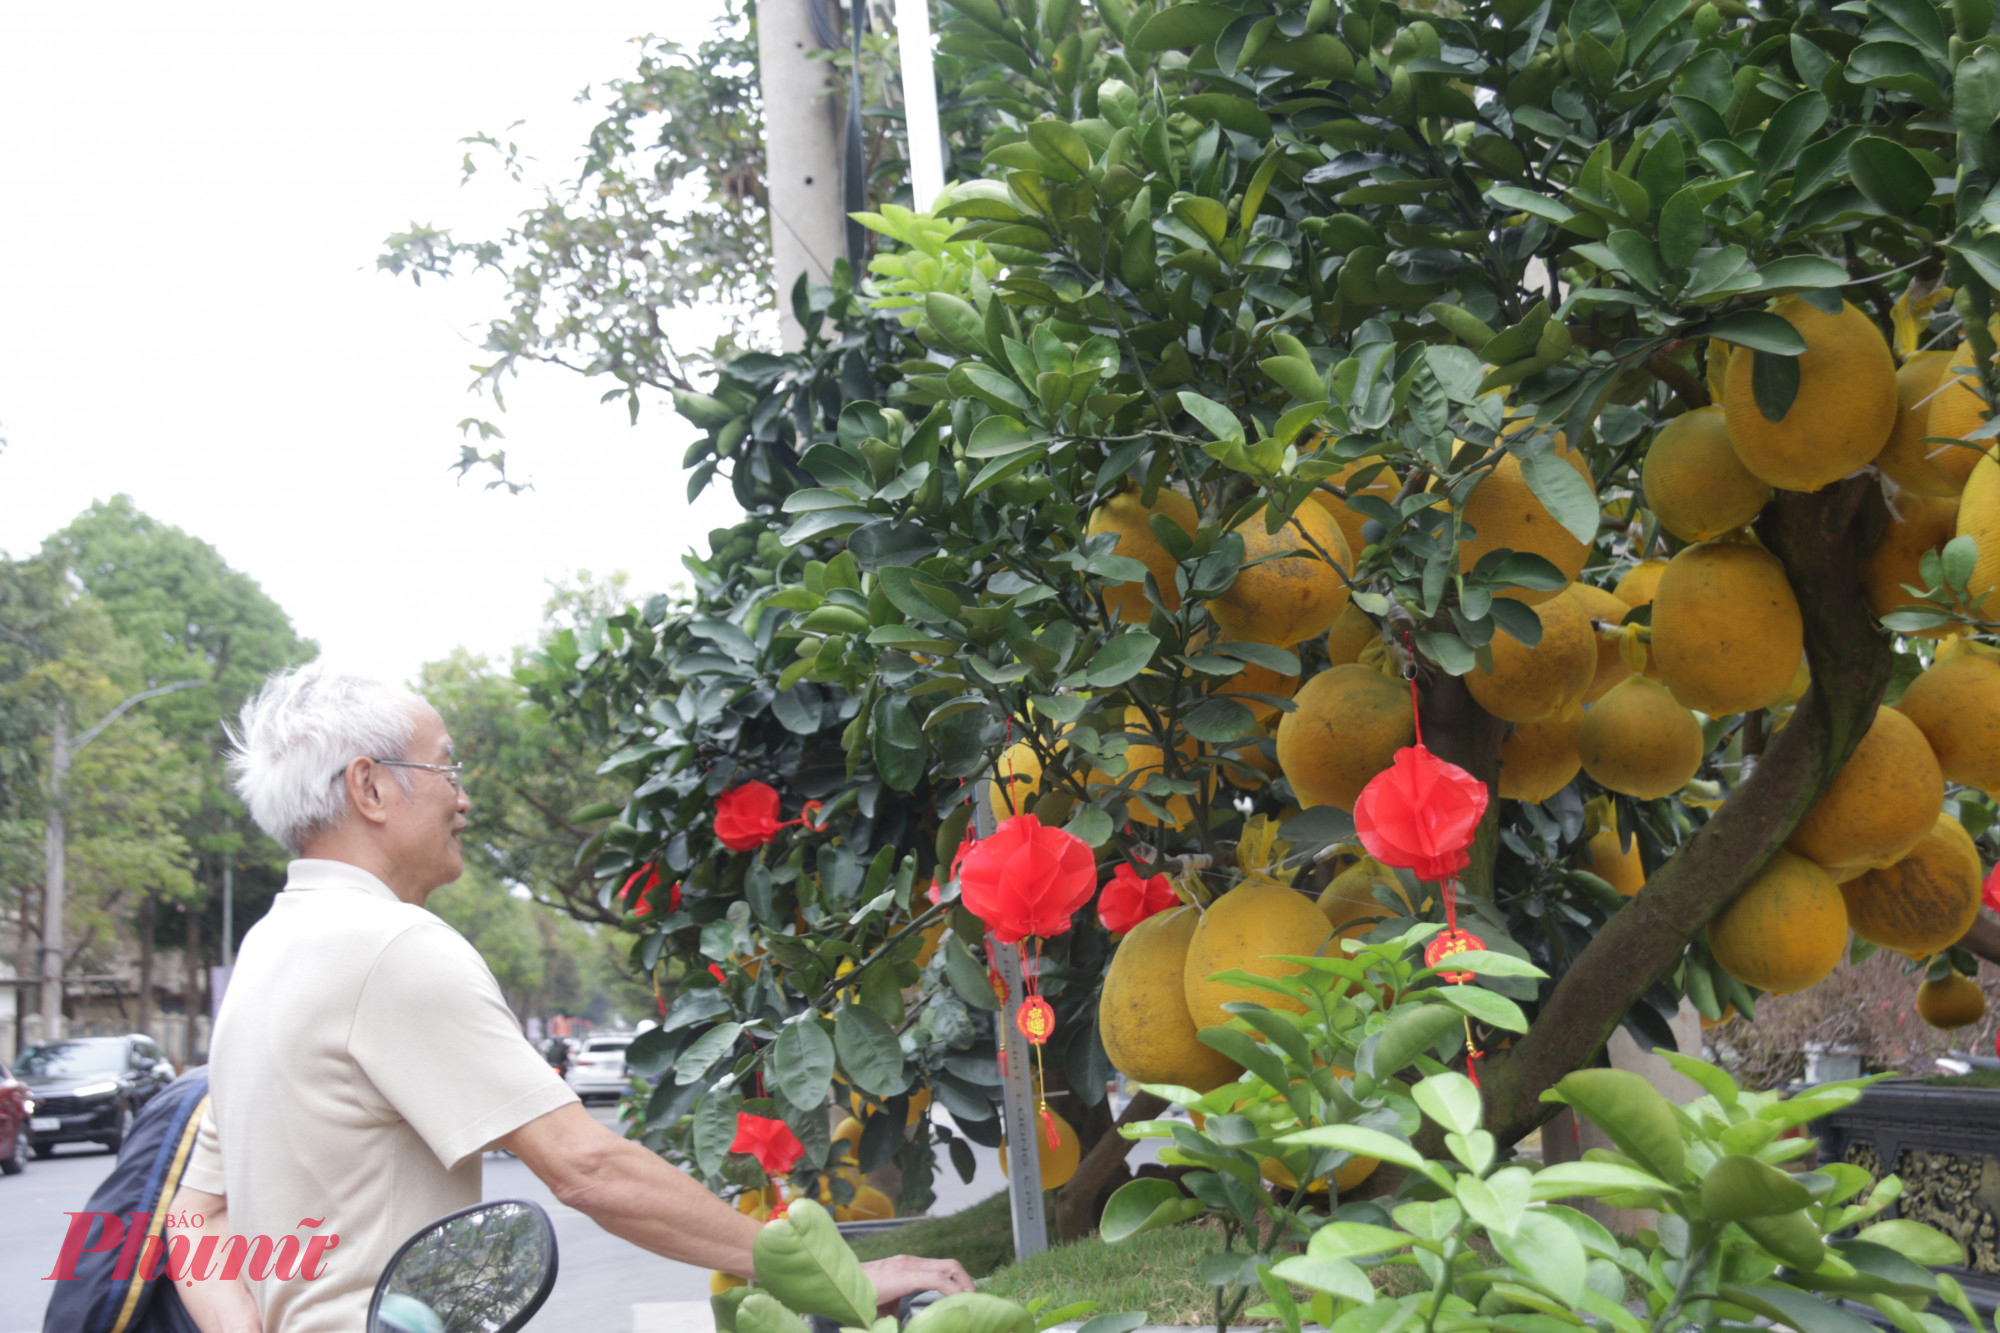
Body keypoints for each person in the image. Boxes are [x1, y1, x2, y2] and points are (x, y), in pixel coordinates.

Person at [168, 664, 970, 1333]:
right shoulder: (389, 947)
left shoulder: (267, 950)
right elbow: (587, 1167)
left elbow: (193, 1218)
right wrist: (835, 1277)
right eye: (447, 768)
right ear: (370, 787)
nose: (462, 798)